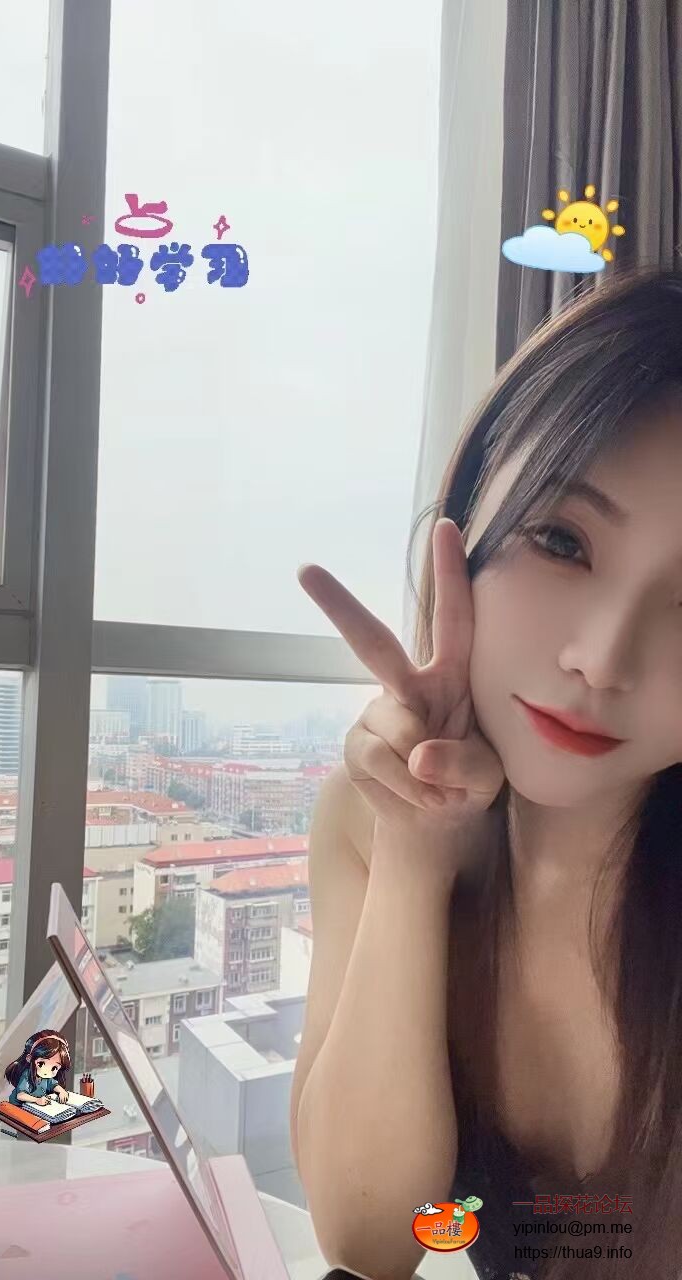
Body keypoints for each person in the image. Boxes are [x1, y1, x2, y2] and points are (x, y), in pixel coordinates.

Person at [291, 266, 682, 1280]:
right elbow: (370, 1237)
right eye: (561, 540)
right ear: (465, 522)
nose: (603, 657)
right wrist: (416, 852)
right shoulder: (366, 816)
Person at [4, 1030, 71, 1107]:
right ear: (30, 1058)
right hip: (19, 1106)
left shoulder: (46, 1077)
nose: (46, 1071)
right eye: (41, 1063)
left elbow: (54, 1085)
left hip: (35, 1106)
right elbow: (20, 1095)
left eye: (54, 1068)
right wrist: (37, 1100)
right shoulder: (27, 1075)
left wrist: (62, 1091)